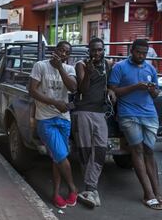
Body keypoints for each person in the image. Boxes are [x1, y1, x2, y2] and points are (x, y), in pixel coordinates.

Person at [108, 39, 162, 211]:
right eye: (138, 52)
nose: (141, 56)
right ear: (132, 50)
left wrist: (153, 90)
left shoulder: (150, 69)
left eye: (144, 53)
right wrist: (136, 86)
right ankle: (149, 194)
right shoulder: (120, 67)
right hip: (129, 114)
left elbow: (155, 94)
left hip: (149, 115)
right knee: (137, 150)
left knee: (149, 151)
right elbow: (113, 90)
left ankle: (158, 193)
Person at [29, 41, 78, 209]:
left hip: (64, 119)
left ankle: (56, 193)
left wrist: (60, 68)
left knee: (57, 157)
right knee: (61, 155)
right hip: (45, 118)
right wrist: (54, 102)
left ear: (68, 56)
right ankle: (73, 188)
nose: (62, 53)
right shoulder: (40, 66)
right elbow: (32, 90)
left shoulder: (69, 69)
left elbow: (73, 87)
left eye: (66, 52)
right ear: (54, 50)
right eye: (60, 50)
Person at [73, 38, 116, 208]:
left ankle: (90, 190)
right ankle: (91, 189)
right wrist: (89, 73)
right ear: (88, 50)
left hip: (99, 113)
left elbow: (111, 83)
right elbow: (82, 89)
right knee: (84, 150)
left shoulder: (107, 64)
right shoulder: (81, 65)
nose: (97, 53)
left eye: (99, 50)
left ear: (103, 50)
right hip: (82, 110)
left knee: (100, 149)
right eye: (93, 50)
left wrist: (112, 90)